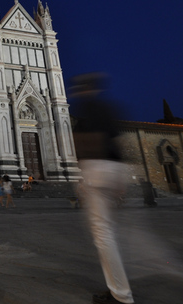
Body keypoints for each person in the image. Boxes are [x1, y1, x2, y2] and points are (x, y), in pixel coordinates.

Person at [71, 73, 134, 304]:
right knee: (108, 232)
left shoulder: (86, 111)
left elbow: (85, 145)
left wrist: (82, 177)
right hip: (111, 171)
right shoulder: (108, 109)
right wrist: (120, 177)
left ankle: (121, 294)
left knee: (103, 234)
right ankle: (119, 289)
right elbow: (117, 141)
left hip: (97, 172)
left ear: (84, 90)